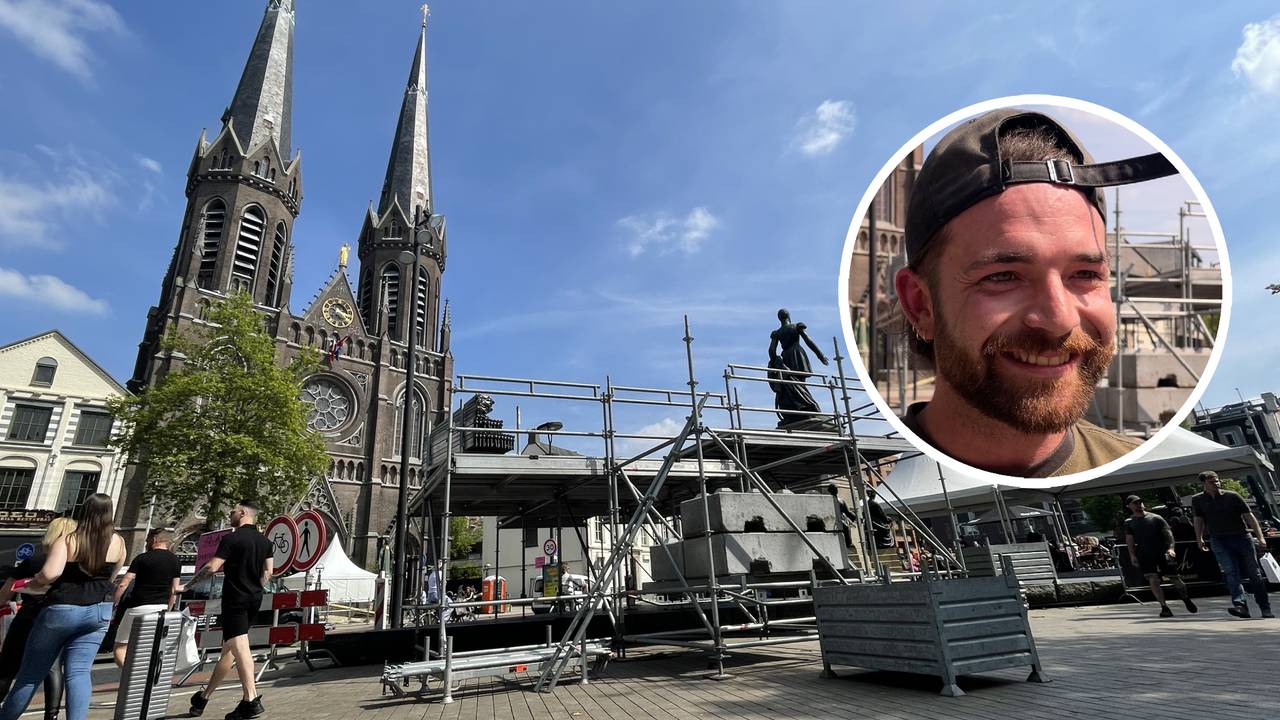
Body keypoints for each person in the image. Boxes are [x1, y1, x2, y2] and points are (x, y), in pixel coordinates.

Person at [892, 109, 1178, 477]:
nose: (1059, 319)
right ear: (921, 305)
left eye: (1086, 274)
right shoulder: (884, 470)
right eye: (1004, 276)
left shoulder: (1150, 470)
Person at [0, 495, 124, 720]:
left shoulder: (68, 540)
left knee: (31, 674)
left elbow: (50, 574)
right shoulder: (118, 542)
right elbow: (113, 576)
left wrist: (34, 580)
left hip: (63, 610)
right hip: (98, 611)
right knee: (79, 673)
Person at [185, 501, 274, 718]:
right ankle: (203, 698)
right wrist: (254, 586)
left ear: (243, 513)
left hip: (235, 599)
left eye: (233, 511)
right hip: (254, 598)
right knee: (230, 649)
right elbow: (269, 572)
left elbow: (212, 567)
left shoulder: (231, 538)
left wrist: (186, 586)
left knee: (240, 647)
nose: (230, 514)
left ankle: (250, 699)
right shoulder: (265, 541)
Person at [0, 517, 77, 720]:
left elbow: (8, 588)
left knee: (9, 663)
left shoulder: (35, 560)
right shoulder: (75, 564)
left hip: (30, 614)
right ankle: (51, 715)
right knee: (53, 667)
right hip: (58, 616)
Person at [1192, 471, 1272, 619]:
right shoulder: (1198, 500)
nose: (1216, 483)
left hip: (1241, 536)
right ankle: (1240, 606)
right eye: (1211, 482)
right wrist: (1199, 538)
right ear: (1204, 484)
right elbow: (1198, 519)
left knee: (1254, 573)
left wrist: (1260, 537)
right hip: (1219, 539)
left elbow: (1250, 516)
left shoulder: (1232, 496)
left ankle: (1265, 607)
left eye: (1217, 480)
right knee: (1231, 572)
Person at [111, 528, 182, 667]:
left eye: (148, 539)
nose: (146, 542)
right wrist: (168, 609)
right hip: (160, 609)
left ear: (154, 540)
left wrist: (114, 602)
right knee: (147, 649)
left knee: (120, 647)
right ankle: (142, 677)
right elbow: (174, 590)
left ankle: (130, 673)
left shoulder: (142, 558)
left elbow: (124, 583)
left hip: (138, 607)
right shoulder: (175, 560)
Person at [1123, 495, 1196, 618]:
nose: (1139, 505)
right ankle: (1164, 607)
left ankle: (1185, 598)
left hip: (1162, 551)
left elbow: (1168, 534)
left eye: (1140, 502)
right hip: (1145, 554)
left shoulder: (1156, 518)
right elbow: (1129, 539)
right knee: (1153, 579)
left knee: (1174, 577)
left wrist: (1171, 548)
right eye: (1135, 503)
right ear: (1129, 506)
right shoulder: (1129, 522)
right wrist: (1132, 555)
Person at [767, 308, 829, 426]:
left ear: (779, 319)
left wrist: (776, 361)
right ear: (789, 317)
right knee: (799, 383)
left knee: (792, 384)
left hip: (786, 357)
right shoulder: (796, 327)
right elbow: (808, 341)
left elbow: (771, 350)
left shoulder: (777, 333)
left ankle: (800, 408)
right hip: (797, 355)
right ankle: (805, 407)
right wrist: (820, 355)